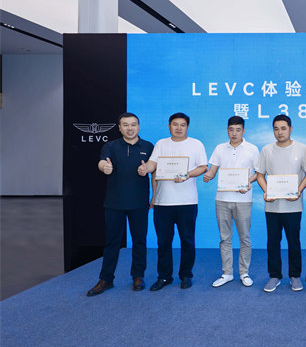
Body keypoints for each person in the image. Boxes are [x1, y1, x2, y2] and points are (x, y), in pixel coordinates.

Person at [137, 112, 207, 291]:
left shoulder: (196, 144)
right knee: (163, 242)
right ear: (169, 126)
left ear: (187, 127)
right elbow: (153, 164)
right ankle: (164, 276)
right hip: (163, 202)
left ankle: (186, 275)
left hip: (187, 201)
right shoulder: (161, 144)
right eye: (175, 124)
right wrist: (145, 168)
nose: (178, 128)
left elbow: (203, 167)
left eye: (182, 125)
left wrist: (187, 174)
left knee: (187, 240)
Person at [87, 113, 154, 296]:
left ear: (139, 126)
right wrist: (104, 167)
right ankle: (106, 279)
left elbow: (154, 169)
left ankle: (138, 276)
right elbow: (102, 162)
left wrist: (148, 172)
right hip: (114, 203)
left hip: (139, 203)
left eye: (133, 124)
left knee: (139, 241)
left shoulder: (148, 146)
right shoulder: (110, 146)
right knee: (112, 242)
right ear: (119, 127)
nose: (130, 128)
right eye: (125, 125)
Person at [203, 116, 259, 288]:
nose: (234, 133)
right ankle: (227, 273)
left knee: (245, 238)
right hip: (222, 199)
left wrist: (247, 182)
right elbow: (213, 170)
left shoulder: (252, 149)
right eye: (231, 130)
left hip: (243, 200)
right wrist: (208, 175)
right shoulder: (220, 148)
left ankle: (244, 272)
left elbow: (259, 172)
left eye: (238, 130)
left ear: (243, 131)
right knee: (224, 238)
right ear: (227, 130)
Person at [255, 115, 306, 292]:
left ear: (291, 129)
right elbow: (260, 175)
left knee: (294, 242)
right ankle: (275, 276)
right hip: (272, 205)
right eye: (276, 129)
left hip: (294, 205)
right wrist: (267, 191)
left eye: (283, 128)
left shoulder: (301, 148)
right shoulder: (267, 150)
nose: (280, 132)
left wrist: (298, 190)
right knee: (273, 242)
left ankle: (295, 276)